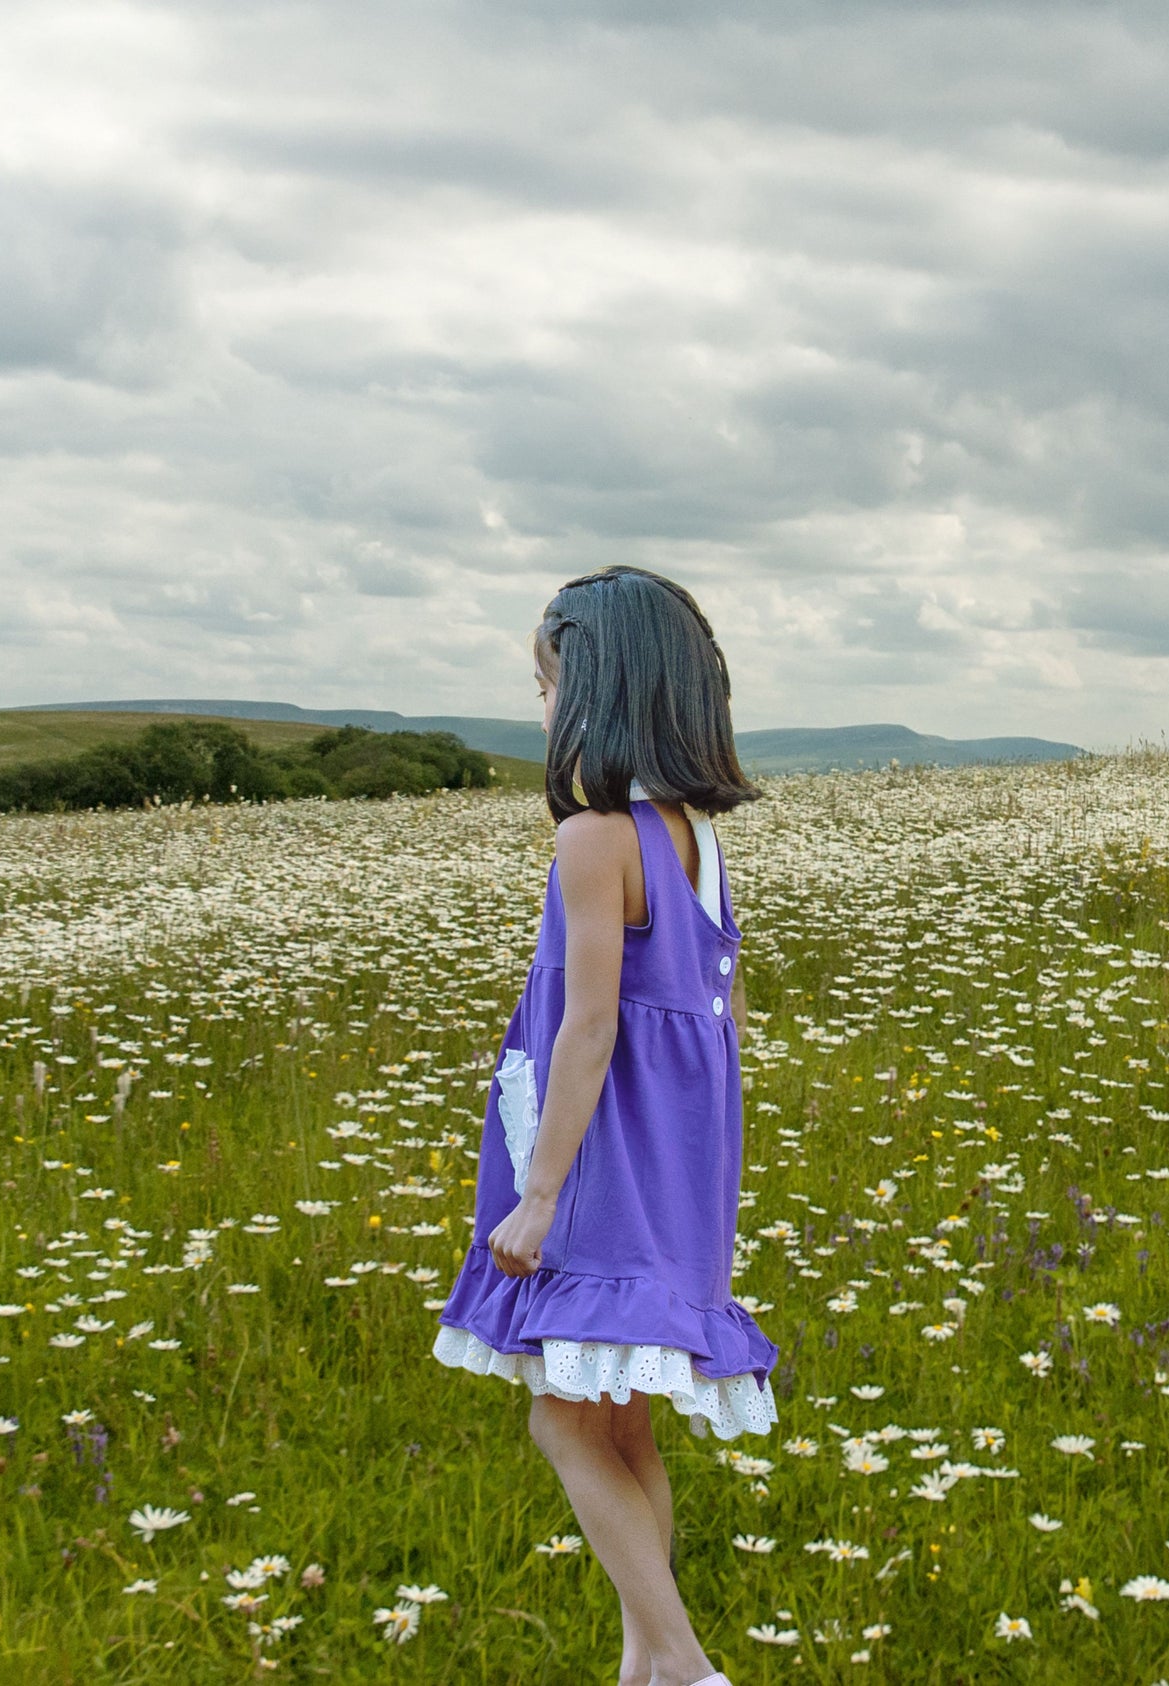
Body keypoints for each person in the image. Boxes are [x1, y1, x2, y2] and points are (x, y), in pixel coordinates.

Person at [432, 565, 779, 1686]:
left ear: (597, 694)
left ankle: (679, 1663)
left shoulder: (593, 839)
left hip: (599, 1170)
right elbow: (709, 1022)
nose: (540, 709)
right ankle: (644, 1667)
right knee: (623, 1429)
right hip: (676, 1169)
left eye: (545, 687)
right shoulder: (695, 844)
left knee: (562, 1424)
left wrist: (539, 1193)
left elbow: (589, 1030)